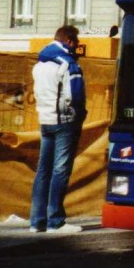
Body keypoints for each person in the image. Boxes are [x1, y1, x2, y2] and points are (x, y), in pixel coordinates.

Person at [29, 25, 87, 234]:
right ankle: (56, 221)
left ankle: (36, 221)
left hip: (45, 121)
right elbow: (76, 96)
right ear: (70, 41)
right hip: (65, 122)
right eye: (77, 43)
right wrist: (79, 115)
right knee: (61, 171)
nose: (77, 48)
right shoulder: (68, 65)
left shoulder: (40, 64)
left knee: (43, 171)